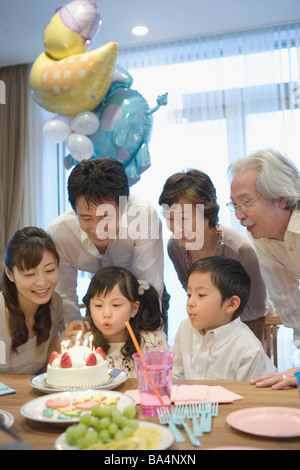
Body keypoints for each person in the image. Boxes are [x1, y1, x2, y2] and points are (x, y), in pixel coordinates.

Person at [48, 158, 166, 327]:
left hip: (142, 292)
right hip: (99, 296)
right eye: (87, 218)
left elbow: (149, 284)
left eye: (106, 217)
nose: (98, 229)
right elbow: (65, 295)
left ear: (124, 207)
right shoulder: (60, 232)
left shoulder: (142, 215)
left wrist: (150, 339)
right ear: (75, 211)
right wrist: (74, 332)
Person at [159, 169, 276, 334]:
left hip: (252, 329)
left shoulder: (240, 250)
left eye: (184, 218)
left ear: (208, 212)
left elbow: (257, 309)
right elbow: (193, 294)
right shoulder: (175, 247)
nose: (176, 228)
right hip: (210, 329)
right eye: (170, 219)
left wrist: (212, 317)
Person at [228, 149, 300, 341]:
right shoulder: (262, 235)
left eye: (246, 202)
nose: (239, 215)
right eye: (235, 205)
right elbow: (287, 301)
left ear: (281, 197)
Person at [0, 227, 89, 375]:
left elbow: (39, 374)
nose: (42, 283)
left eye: (50, 270)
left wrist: (60, 343)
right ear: (9, 273)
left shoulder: (55, 304)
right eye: (30, 274)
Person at [171, 256, 276, 380]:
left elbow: (250, 397)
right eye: (189, 294)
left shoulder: (249, 350)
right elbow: (173, 374)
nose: (190, 302)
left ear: (231, 304)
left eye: (201, 295)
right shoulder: (186, 327)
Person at [82, 266, 169, 377]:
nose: (106, 314)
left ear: (133, 309)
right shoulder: (84, 343)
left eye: (116, 305)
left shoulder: (153, 342)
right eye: (98, 305)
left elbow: (164, 380)